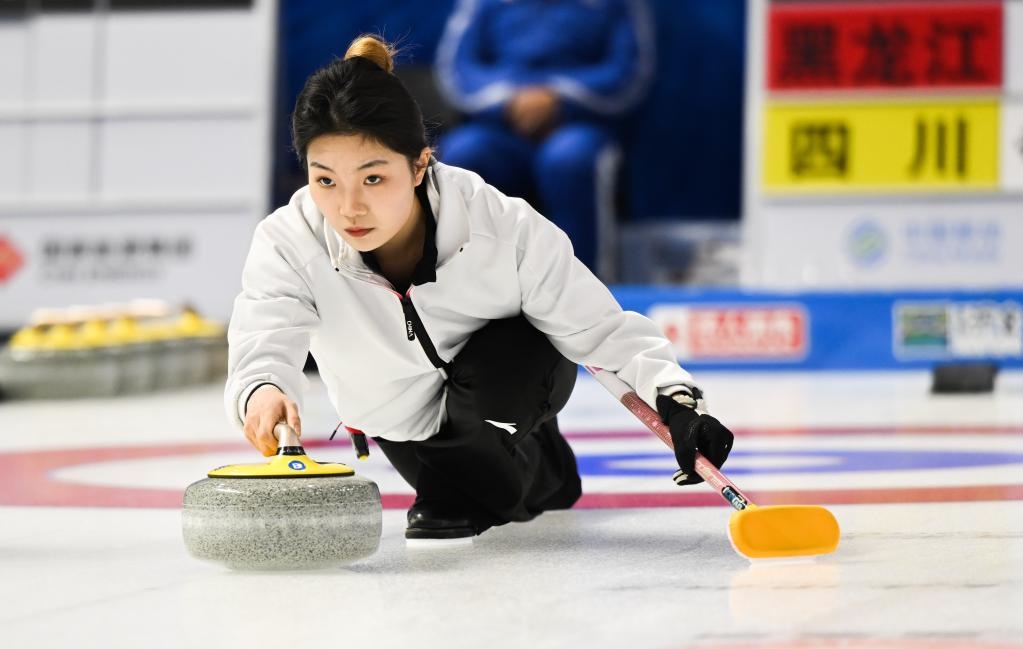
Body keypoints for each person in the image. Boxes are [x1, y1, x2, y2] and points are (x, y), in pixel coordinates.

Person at [225, 35, 731, 542]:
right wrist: (262, 390)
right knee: (513, 495)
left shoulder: (499, 224)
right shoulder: (289, 241)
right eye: (325, 181)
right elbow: (265, 333)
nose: (349, 207)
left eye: (373, 179)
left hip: (507, 379)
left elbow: (600, 328)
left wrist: (677, 401)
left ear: (419, 165)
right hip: (400, 422)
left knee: (463, 486)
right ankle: (537, 466)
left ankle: (481, 470)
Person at [434, 0, 655, 277]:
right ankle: (473, 286)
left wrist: (558, 97)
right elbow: (458, 70)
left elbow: (628, 71)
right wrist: (509, 100)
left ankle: (584, 288)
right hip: (501, 126)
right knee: (465, 153)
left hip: (579, 125)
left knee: (569, 159)